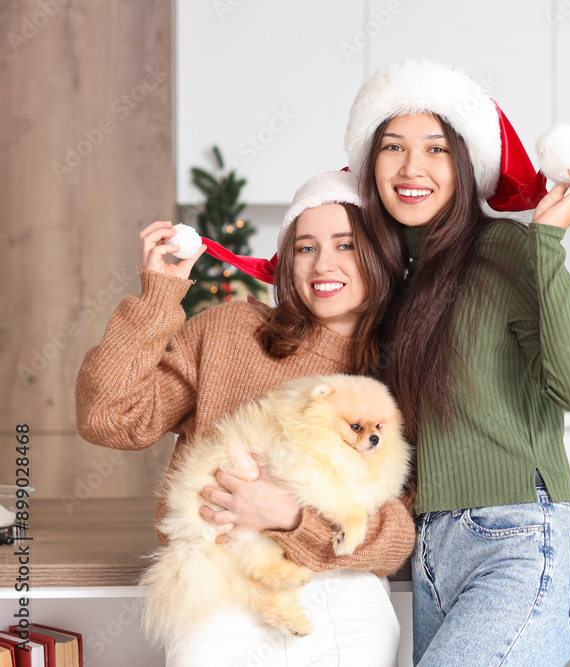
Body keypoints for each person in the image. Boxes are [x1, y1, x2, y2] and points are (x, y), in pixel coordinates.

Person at [75, 171, 414, 666]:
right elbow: (109, 417)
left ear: (380, 256)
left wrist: (291, 518)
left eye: (347, 245)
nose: (324, 264)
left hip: (342, 595)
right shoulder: (230, 332)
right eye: (304, 247)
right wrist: (158, 298)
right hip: (217, 585)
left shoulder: (406, 370)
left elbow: (397, 538)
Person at [344, 60, 570, 665]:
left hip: (522, 542)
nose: (412, 168)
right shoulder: (386, 280)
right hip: (432, 554)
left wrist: (547, 241)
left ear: (464, 166)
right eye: (394, 148)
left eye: (435, 149)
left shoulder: (504, 249)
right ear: (370, 163)